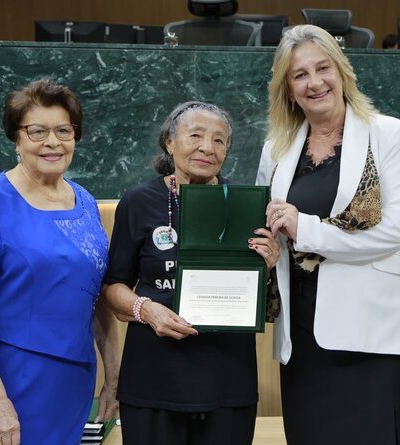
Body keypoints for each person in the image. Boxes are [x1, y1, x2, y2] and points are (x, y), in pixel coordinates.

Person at [256, 24, 400, 445]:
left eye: (322, 68)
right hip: (303, 338)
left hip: (373, 339)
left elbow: (398, 230)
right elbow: (269, 225)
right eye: (300, 75)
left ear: (342, 72)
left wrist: (305, 228)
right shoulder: (276, 146)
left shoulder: (389, 134)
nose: (314, 83)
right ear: (287, 88)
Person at [0, 79, 119, 445]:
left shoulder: (85, 202)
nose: (52, 142)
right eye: (37, 131)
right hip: (6, 384)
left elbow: (99, 294)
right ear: (16, 138)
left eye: (63, 130)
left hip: (71, 382)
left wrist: (113, 377)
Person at [103, 101, 279, 445]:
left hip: (227, 378)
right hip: (154, 375)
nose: (206, 147)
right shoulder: (139, 201)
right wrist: (146, 310)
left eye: (219, 140)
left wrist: (269, 268)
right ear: (170, 142)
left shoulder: (247, 204)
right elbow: (113, 286)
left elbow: (264, 299)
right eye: (195, 135)